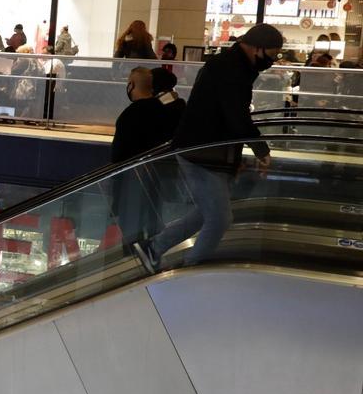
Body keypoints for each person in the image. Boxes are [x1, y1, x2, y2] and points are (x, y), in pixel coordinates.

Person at [134, 24, 280, 273]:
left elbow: (230, 115)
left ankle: (154, 248)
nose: (272, 61)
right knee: (220, 218)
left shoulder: (233, 65)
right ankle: (191, 270)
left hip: (205, 151)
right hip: (201, 153)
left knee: (207, 212)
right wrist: (261, 150)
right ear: (256, 48)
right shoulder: (231, 69)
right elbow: (236, 116)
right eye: (271, 55)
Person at [110, 68, 176, 250]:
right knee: (152, 225)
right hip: (157, 180)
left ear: (131, 85)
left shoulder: (129, 115)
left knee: (131, 232)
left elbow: (118, 155)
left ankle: (133, 265)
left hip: (132, 182)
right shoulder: (164, 111)